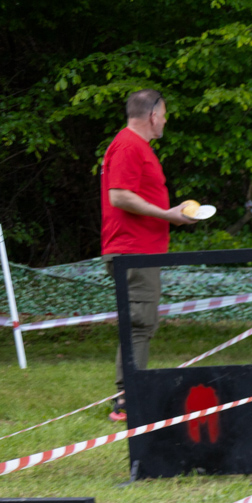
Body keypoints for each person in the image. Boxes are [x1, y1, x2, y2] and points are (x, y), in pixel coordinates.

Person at [100, 88, 197, 421]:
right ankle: (127, 401)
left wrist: (169, 214)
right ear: (153, 115)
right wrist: (167, 214)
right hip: (132, 250)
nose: (165, 121)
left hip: (141, 250)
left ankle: (129, 395)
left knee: (142, 322)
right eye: (164, 115)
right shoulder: (128, 145)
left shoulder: (137, 147)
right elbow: (119, 196)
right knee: (139, 324)